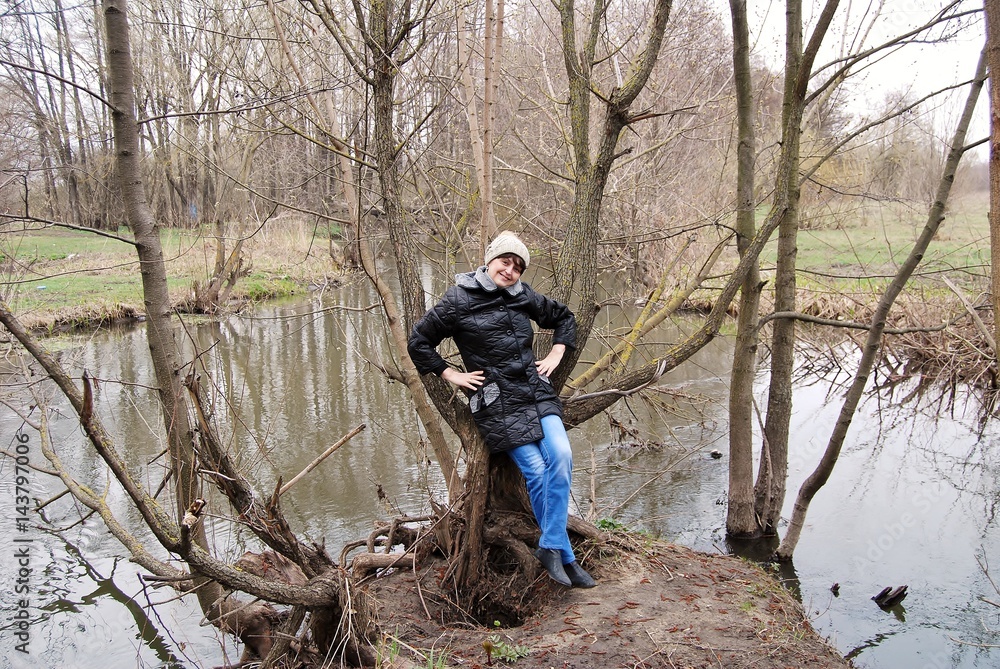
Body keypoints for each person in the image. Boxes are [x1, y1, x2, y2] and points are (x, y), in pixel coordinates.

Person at [407, 232, 596, 588]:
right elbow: (418, 341)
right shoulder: (459, 299)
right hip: (497, 403)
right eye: (505, 262)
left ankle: (551, 546)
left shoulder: (522, 295)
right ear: (490, 260)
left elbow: (564, 317)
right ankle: (565, 556)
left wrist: (557, 352)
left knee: (562, 455)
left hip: (534, 391)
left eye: (518, 267)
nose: (510, 271)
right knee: (538, 473)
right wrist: (450, 374)